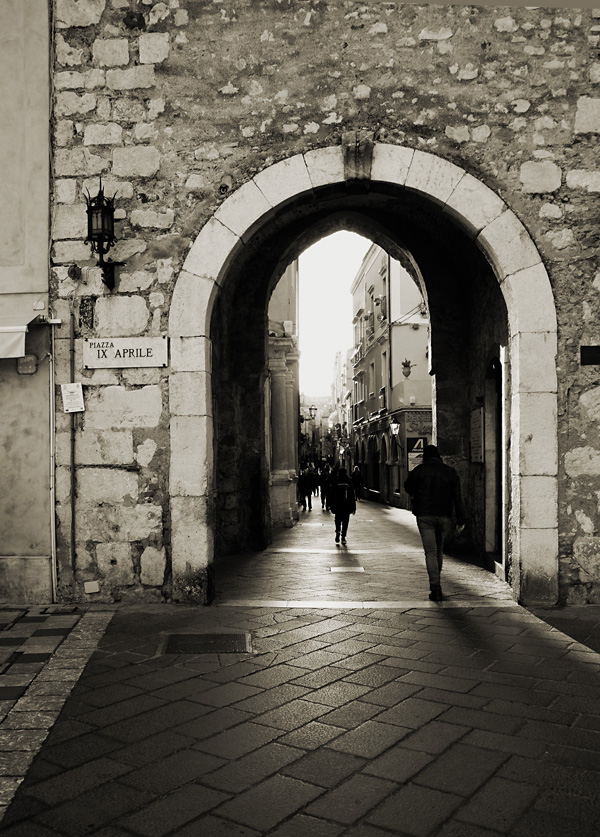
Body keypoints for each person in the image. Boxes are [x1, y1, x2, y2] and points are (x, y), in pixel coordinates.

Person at [404, 444, 466, 602]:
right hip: (444, 515)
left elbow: (407, 486)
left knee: (430, 551)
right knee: (439, 549)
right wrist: (461, 518)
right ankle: (436, 583)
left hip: (424, 515)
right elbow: (457, 497)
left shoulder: (419, 470)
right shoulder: (450, 472)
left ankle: (435, 587)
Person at [329, 467, 356, 545]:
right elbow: (352, 495)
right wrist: (353, 507)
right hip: (346, 505)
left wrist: (331, 505)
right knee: (345, 521)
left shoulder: (336, 481)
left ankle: (338, 531)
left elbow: (331, 494)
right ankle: (343, 536)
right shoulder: (348, 481)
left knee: (337, 519)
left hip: (338, 505)